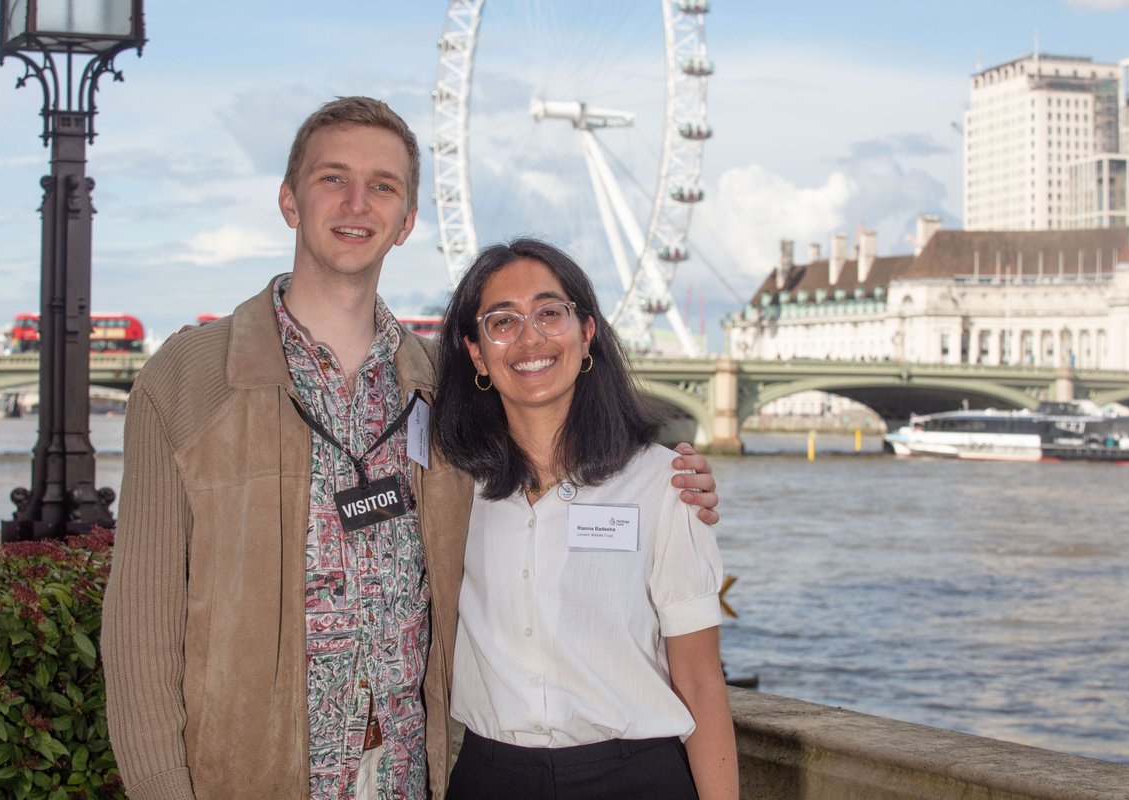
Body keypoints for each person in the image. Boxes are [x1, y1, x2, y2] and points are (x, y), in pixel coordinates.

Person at [101, 97, 722, 800]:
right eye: (332, 178)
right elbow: (139, 637)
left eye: (384, 186)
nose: (356, 203)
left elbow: (554, 456)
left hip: (405, 778)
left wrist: (677, 474)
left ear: (407, 222)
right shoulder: (186, 382)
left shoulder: (445, 393)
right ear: (289, 200)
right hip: (248, 775)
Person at [432, 238, 738, 800]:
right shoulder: (446, 490)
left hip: (636, 780)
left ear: (587, 332)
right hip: (488, 778)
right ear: (476, 353)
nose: (531, 338)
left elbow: (699, 678)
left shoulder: (664, 484)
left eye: (551, 313)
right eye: (503, 321)